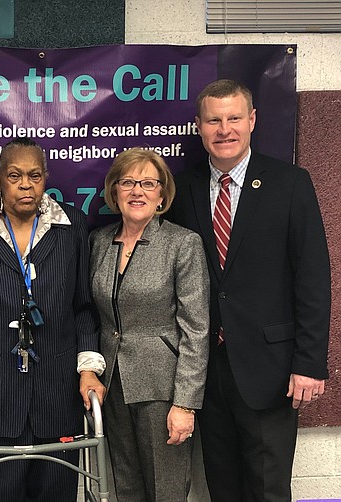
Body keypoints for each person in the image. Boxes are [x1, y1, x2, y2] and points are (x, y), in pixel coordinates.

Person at [168, 79, 331, 502]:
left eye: (234, 118)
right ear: (200, 127)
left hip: (271, 370)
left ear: (253, 120)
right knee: (222, 488)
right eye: (214, 120)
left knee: (267, 490)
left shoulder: (290, 183)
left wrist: (310, 363)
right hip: (208, 372)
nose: (225, 129)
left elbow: (312, 278)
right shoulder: (181, 190)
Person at [0, 137, 106, 502]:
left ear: (46, 178)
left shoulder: (71, 225)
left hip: (58, 393)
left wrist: (89, 368)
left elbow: (83, 308)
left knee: (57, 492)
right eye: (15, 175)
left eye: (35, 175)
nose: (26, 184)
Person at [89, 148, 209, 501]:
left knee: (166, 491)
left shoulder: (182, 243)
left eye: (147, 183)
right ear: (114, 192)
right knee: (125, 487)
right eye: (127, 182)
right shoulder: (100, 241)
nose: (137, 191)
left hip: (163, 390)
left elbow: (197, 329)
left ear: (162, 194)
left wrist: (185, 403)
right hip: (113, 386)